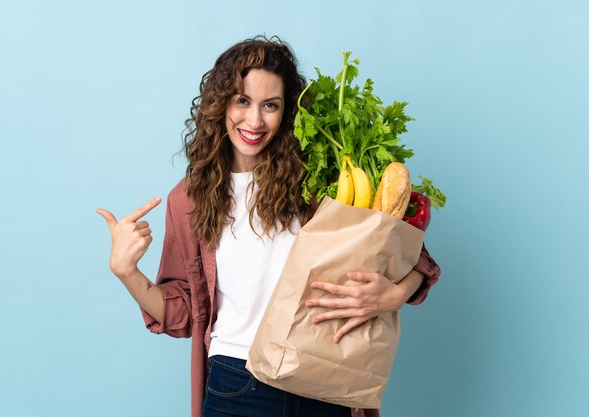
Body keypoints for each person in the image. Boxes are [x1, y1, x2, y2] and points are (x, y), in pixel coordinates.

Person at [97, 35, 441, 417]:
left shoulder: (324, 181)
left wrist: (392, 295)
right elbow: (183, 315)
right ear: (220, 103)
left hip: (325, 375)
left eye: (270, 106)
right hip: (237, 383)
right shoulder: (190, 200)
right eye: (242, 101)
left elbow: (414, 258)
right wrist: (127, 272)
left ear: (288, 111)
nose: (255, 120)